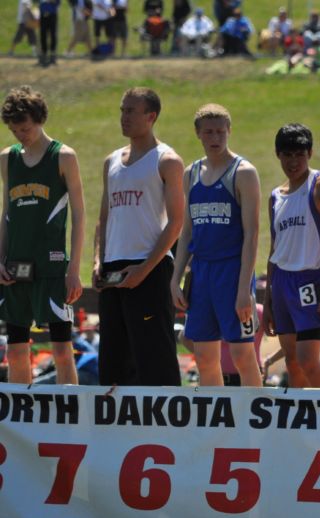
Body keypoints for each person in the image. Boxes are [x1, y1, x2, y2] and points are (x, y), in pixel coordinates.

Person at [95, 87, 184, 386]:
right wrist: (98, 262)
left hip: (150, 267)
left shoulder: (167, 160)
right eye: (122, 110)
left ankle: (164, 430)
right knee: (113, 357)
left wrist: (144, 270)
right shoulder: (111, 162)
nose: (124, 117)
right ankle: (117, 428)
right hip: (112, 270)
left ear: (151, 116)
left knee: (154, 356)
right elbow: (104, 218)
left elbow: (176, 223)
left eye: (131, 111)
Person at [171, 104, 262, 387]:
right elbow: (187, 232)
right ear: (198, 134)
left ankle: (255, 425)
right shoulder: (191, 173)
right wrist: (175, 279)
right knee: (204, 356)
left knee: (242, 354)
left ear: (229, 132)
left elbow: (252, 234)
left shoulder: (243, 172)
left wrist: (244, 290)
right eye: (209, 132)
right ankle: (218, 427)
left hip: (232, 271)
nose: (215, 137)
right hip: (201, 273)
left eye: (221, 131)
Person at [0, 86, 85, 385]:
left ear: (39, 119)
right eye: (13, 130)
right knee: (17, 350)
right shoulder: (7, 159)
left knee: (62, 349)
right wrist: (0, 259)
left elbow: (79, 215)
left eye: (24, 128)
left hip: (51, 266)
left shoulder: (63, 156)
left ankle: (70, 417)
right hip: (15, 268)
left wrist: (73, 269)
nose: (20, 134)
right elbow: (6, 214)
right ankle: (17, 426)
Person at [263, 124, 320, 388]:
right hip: (281, 284)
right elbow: (274, 251)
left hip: (312, 280)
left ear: (310, 153)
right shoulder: (276, 196)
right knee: (292, 361)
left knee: (308, 360)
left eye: (299, 154)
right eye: (287, 154)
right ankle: (301, 421)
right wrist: (267, 303)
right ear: (278, 154)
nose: (293, 161)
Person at [180, 304, 265, 386]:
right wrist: (208, 359)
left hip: (248, 377)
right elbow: (184, 337)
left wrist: (270, 360)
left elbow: (183, 337)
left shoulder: (260, 311)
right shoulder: (213, 307)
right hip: (217, 378)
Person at [38, 0, 60, 66]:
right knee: (43, 34)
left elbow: (57, 3)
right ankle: (44, 53)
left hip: (52, 14)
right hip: (43, 14)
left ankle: (53, 54)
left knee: (53, 34)